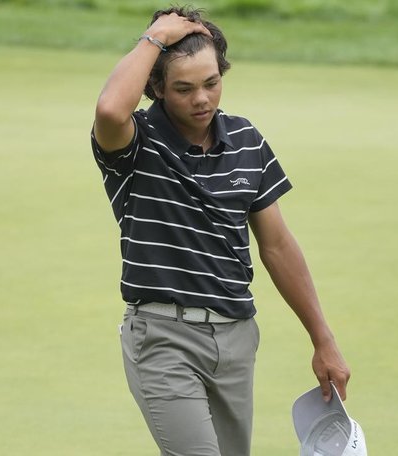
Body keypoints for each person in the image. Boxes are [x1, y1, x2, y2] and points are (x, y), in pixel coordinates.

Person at [90, 6, 351, 456]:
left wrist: (322, 339)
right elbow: (111, 108)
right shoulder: (136, 142)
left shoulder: (246, 139)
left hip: (236, 339)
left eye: (211, 82)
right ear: (156, 88)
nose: (202, 99)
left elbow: (277, 246)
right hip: (162, 337)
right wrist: (155, 37)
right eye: (184, 88)